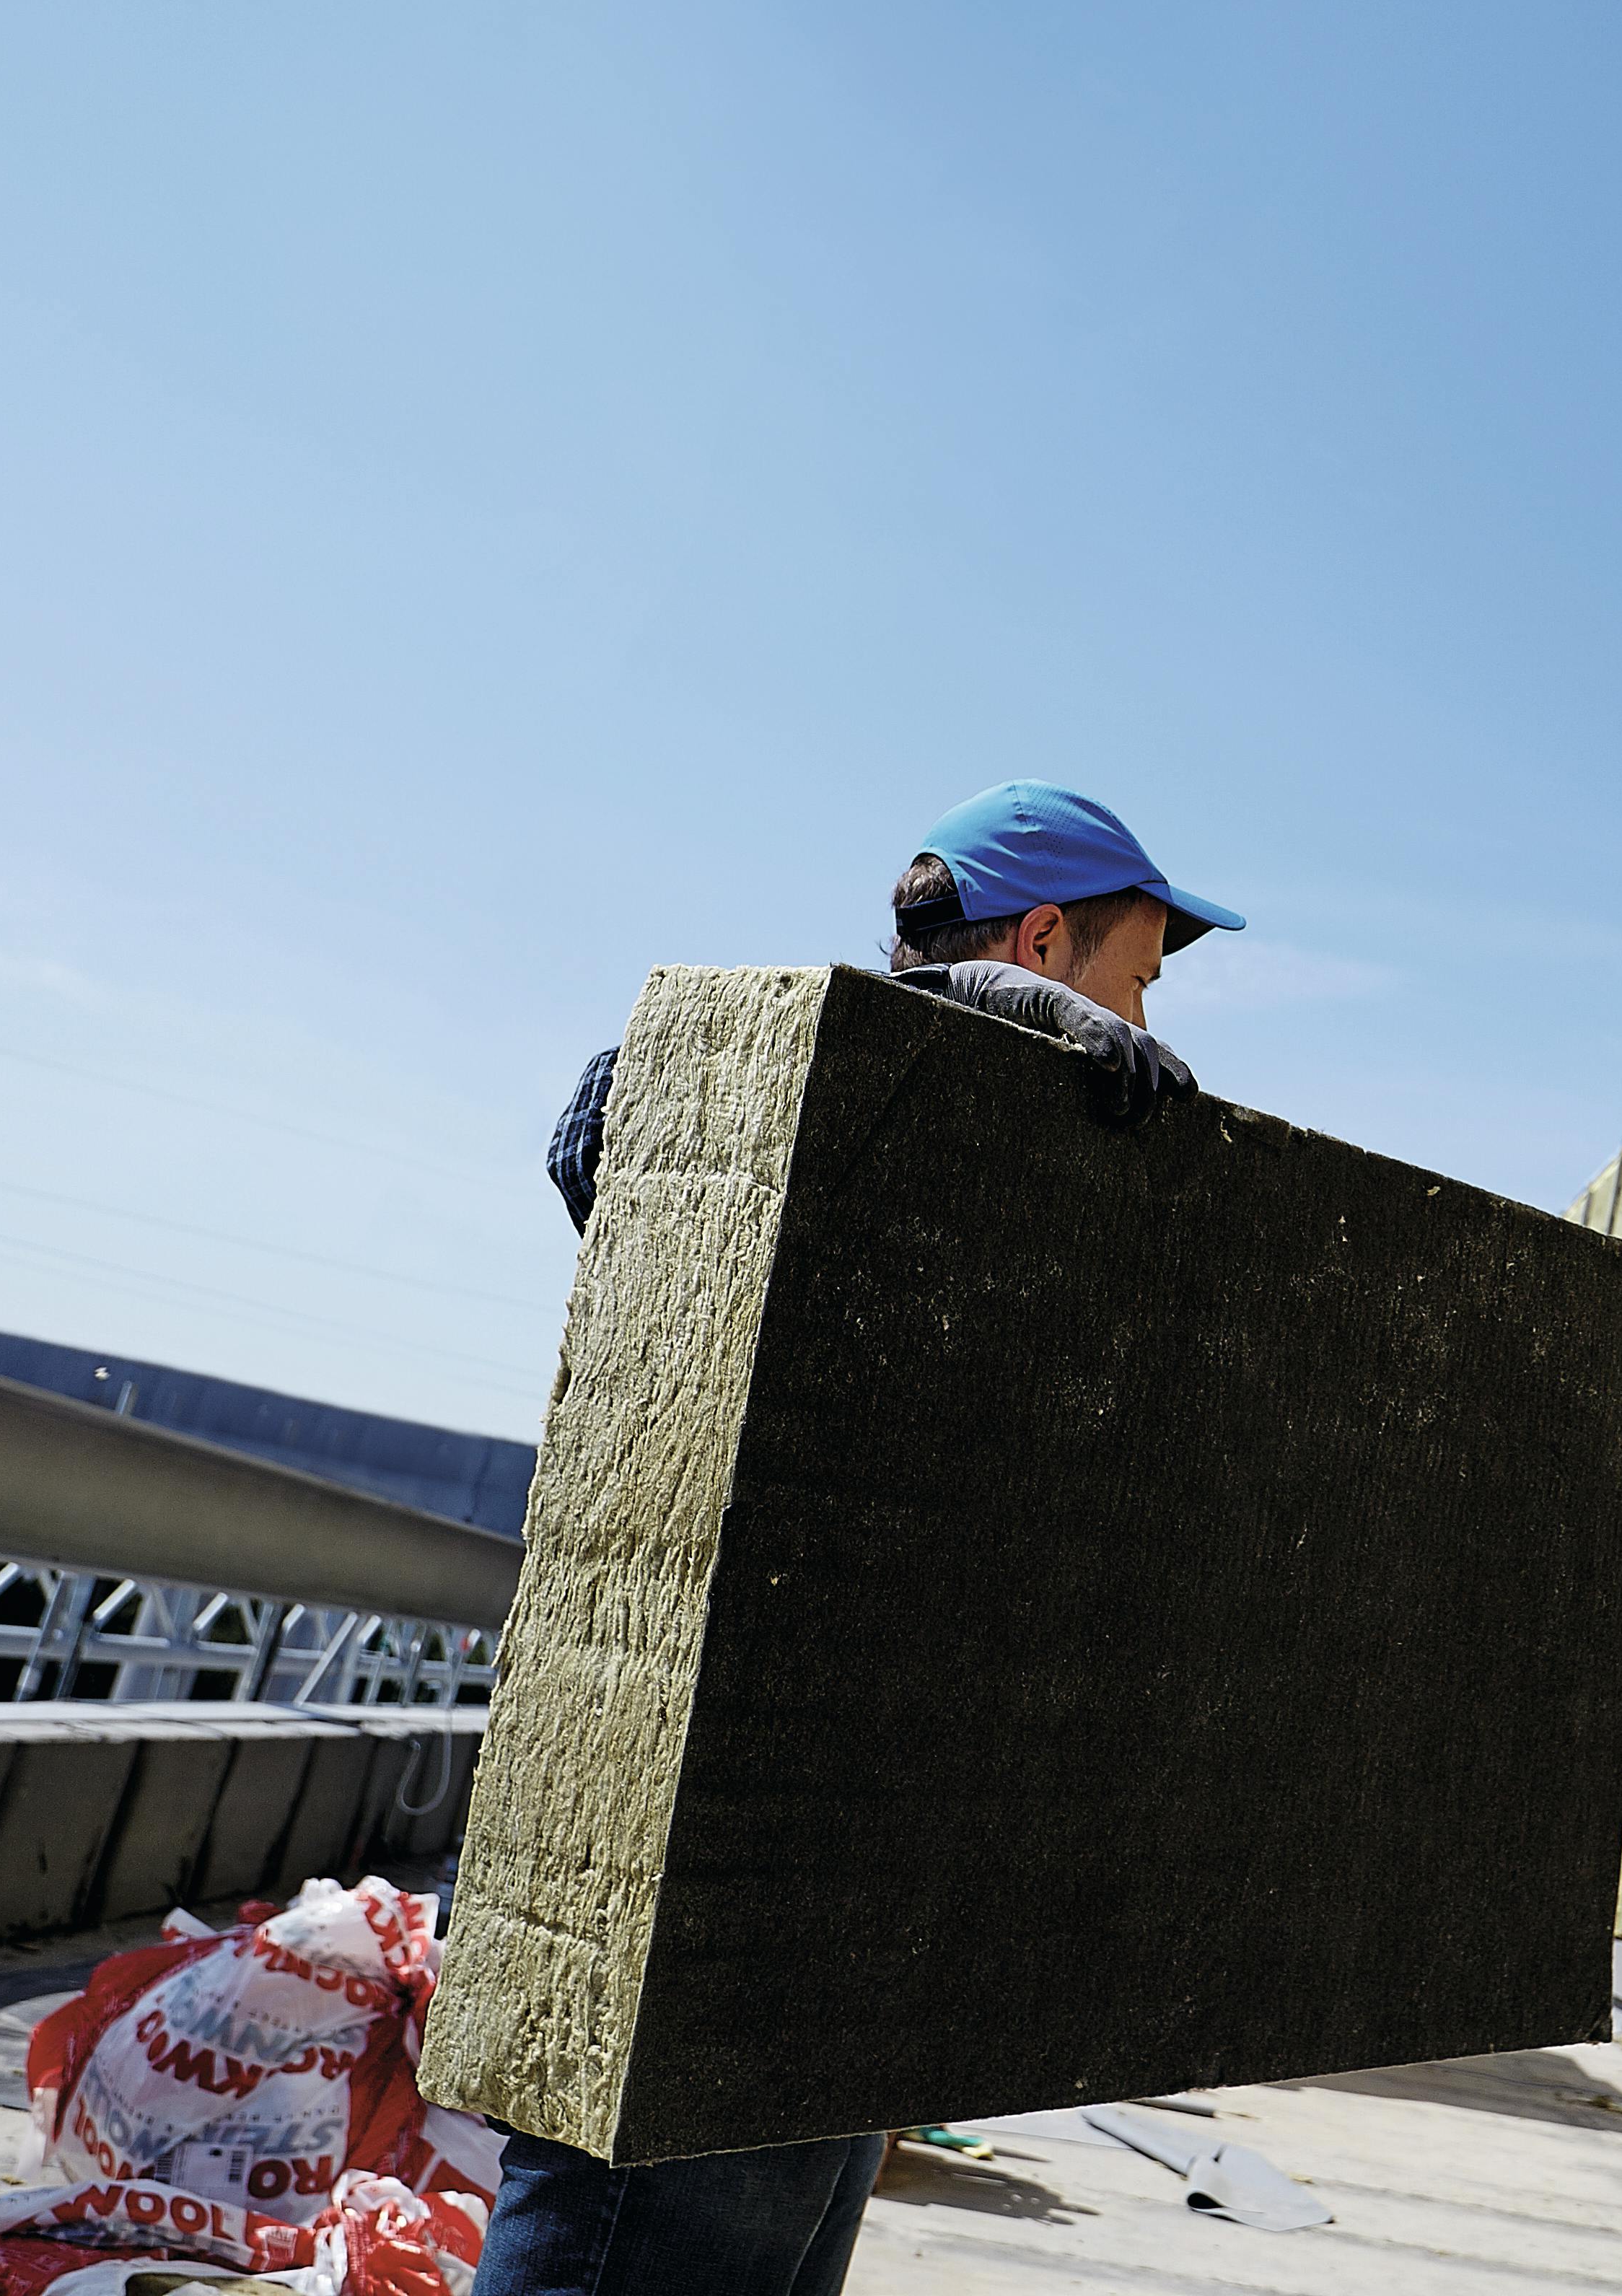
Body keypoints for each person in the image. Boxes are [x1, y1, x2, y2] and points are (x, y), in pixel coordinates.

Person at [478, 779, 1242, 2296]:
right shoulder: (835, 1101)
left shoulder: (985, 1200)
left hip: (833, 1889)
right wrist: (956, 1016)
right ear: (1042, 940)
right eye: (1136, 977)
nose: (1146, 1020)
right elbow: (612, 1122)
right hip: (699, 1868)